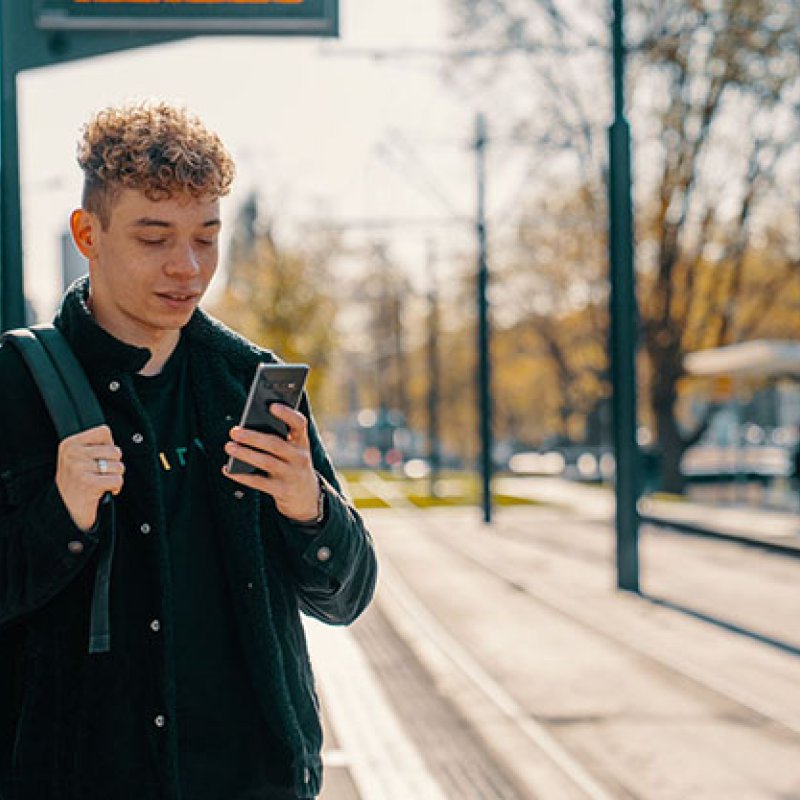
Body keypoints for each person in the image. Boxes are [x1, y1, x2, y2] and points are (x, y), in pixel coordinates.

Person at [0, 102, 377, 800]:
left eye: (207, 237)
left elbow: (348, 595)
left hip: (254, 781)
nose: (188, 266)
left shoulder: (250, 383)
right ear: (89, 233)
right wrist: (62, 518)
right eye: (154, 237)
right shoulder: (16, 389)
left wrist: (309, 507)